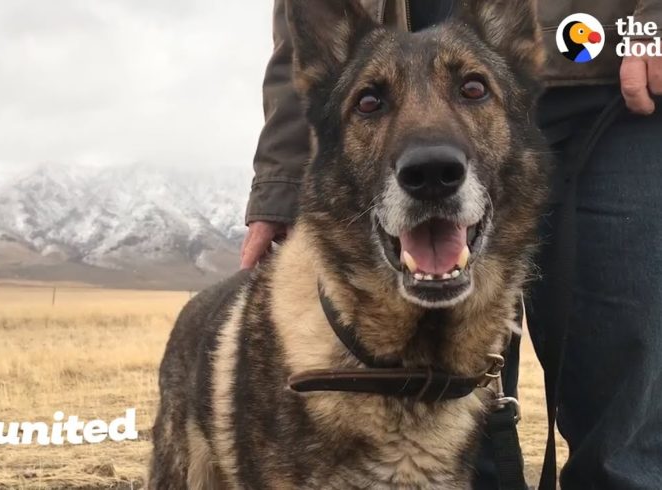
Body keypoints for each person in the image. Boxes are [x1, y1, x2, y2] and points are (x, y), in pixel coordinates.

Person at [241, 1, 662, 488]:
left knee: (626, 430)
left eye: (471, 90)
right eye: (371, 102)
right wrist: (282, 177)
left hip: (614, 83)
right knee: (457, 449)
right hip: (394, 40)